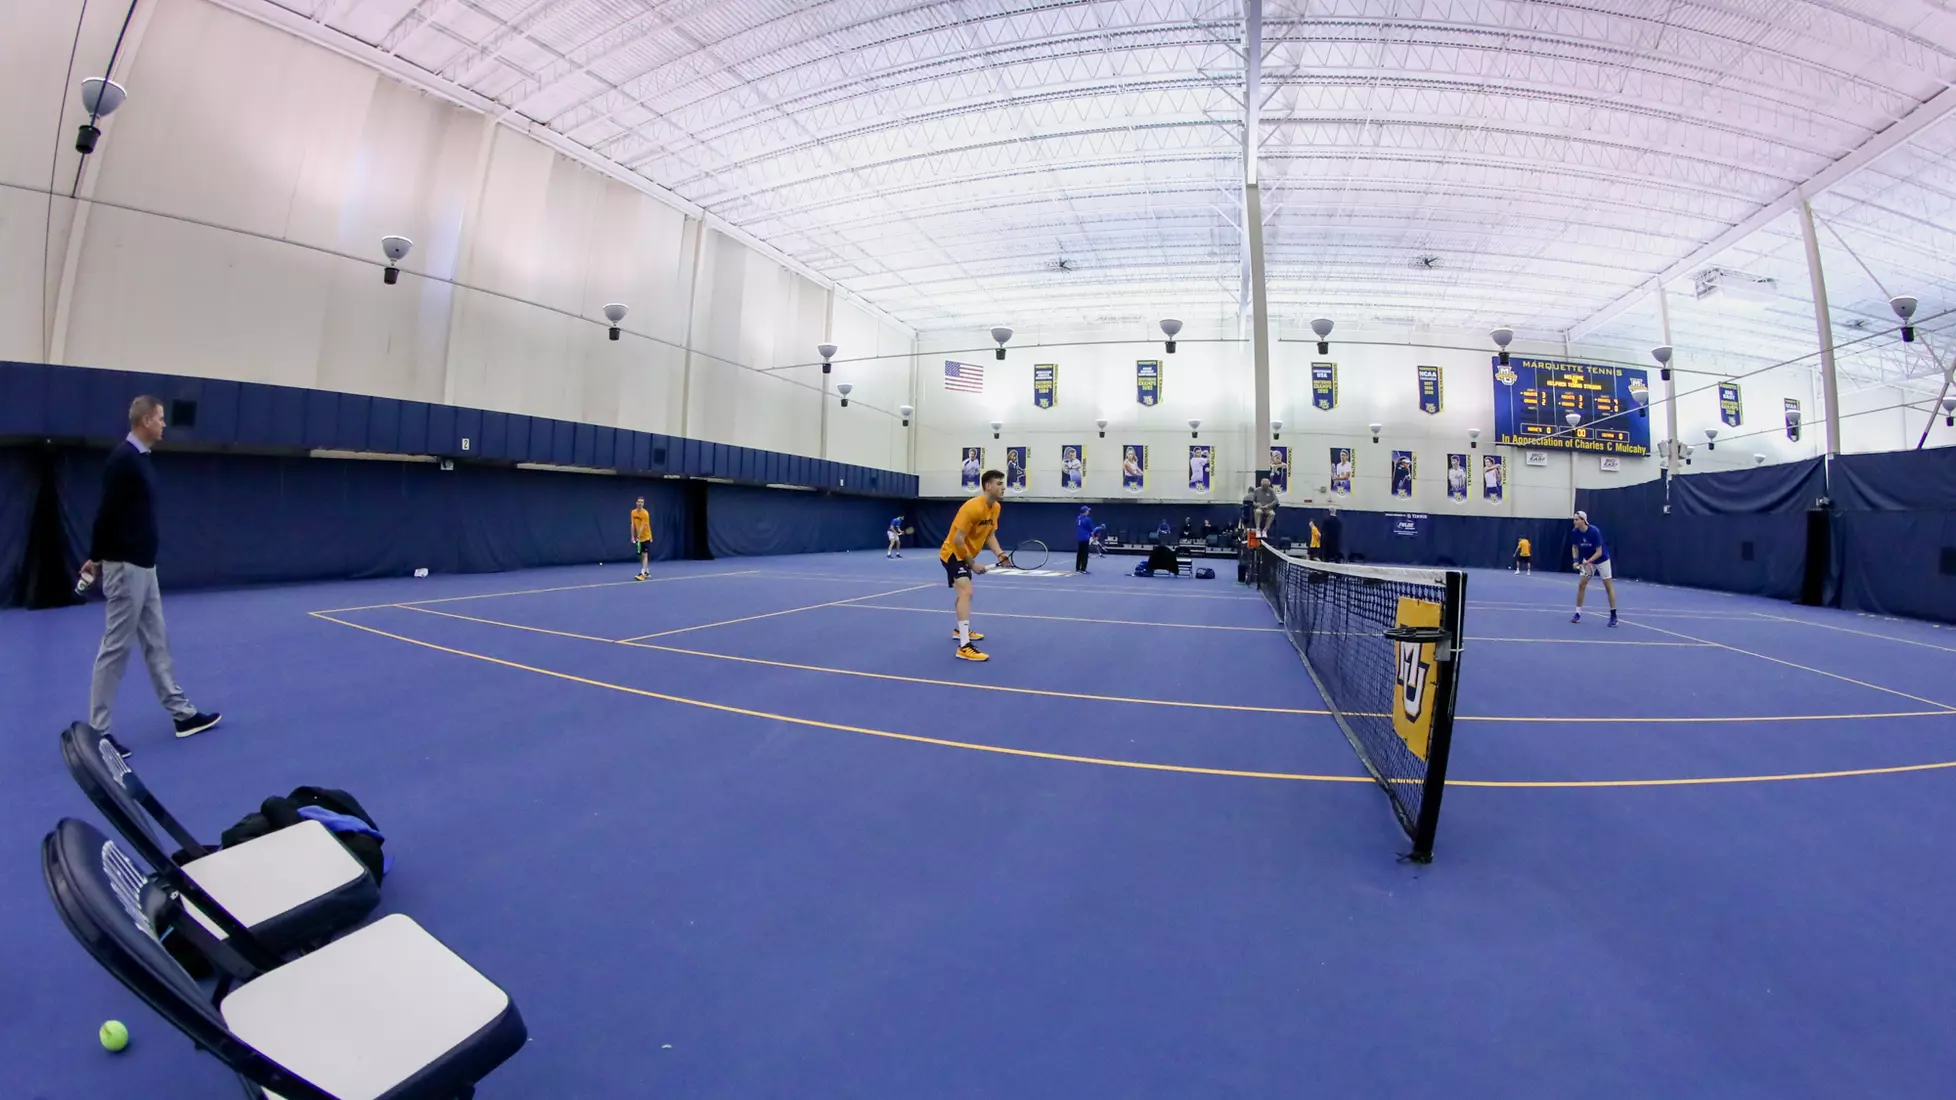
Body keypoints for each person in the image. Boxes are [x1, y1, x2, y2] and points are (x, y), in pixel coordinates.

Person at [80, 396, 220, 747]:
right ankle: (99, 731)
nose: (164, 424)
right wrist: (96, 559)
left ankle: (182, 715)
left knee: (157, 642)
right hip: (125, 569)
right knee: (115, 648)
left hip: (144, 567)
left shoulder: (140, 460)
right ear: (144, 421)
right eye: (159, 418)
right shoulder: (123, 461)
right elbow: (105, 515)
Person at [942, 469, 1010, 662]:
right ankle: (964, 646)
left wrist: (1000, 554)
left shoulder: (995, 508)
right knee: (966, 592)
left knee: (963, 593)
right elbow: (958, 539)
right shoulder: (972, 507)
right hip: (953, 553)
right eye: (999, 483)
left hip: (966, 554)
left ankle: (959, 630)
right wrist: (972, 564)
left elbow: (990, 535)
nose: (1003, 487)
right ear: (988, 486)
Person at [1569, 511, 1617, 626]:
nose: (1574, 522)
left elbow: (1599, 552)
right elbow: (1574, 547)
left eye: (1576, 519)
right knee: (1581, 585)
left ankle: (1613, 616)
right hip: (1588, 560)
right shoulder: (1575, 532)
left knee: (1608, 586)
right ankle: (1577, 613)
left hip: (1602, 560)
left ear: (1583, 520)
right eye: (1574, 519)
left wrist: (1587, 562)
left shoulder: (1594, 532)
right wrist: (1576, 560)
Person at [631, 497, 653, 579]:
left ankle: (642, 573)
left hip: (646, 536)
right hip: (639, 538)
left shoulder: (645, 513)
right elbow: (632, 524)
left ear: (643, 504)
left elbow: (643, 526)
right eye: (639, 502)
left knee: (644, 555)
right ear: (636, 503)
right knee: (642, 555)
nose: (640, 503)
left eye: (642, 502)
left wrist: (638, 536)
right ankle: (647, 571)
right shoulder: (633, 512)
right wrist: (632, 536)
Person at [1074, 506, 1095, 573]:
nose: (1088, 512)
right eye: (1087, 510)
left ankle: (1077, 568)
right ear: (1085, 511)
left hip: (1079, 538)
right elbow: (1091, 529)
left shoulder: (1078, 518)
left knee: (1079, 553)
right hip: (1085, 538)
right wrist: (1093, 536)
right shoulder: (1087, 519)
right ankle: (1083, 569)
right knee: (1085, 554)